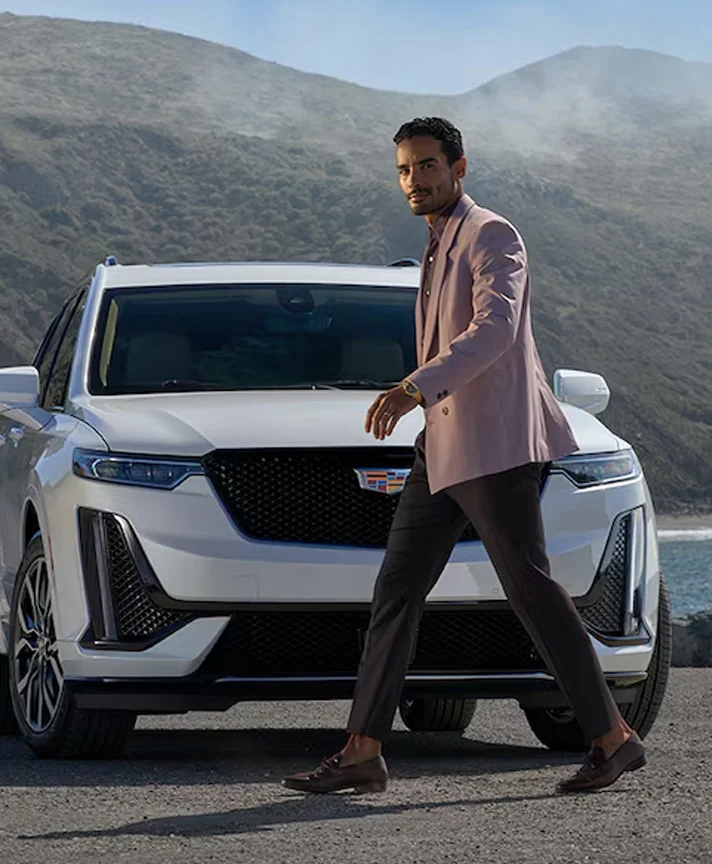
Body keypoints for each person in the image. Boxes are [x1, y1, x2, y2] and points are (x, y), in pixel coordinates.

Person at [282, 117, 647, 796]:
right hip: (443, 447)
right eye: (403, 169)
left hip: (496, 447)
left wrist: (414, 387)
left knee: (530, 589)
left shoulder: (490, 234)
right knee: (397, 590)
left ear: (459, 168)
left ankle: (613, 737)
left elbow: (495, 328)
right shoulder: (434, 244)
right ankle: (363, 750)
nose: (413, 180)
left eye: (426, 165)